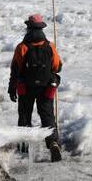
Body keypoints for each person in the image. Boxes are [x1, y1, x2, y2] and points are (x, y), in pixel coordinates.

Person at [8, 14, 62, 162]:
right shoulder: (50, 46)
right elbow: (57, 67)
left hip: (25, 87)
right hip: (46, 87)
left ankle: (24, 148)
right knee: (47, 116)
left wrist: (11, 88)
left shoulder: (22, 47)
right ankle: (53, 143)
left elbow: (15, 70)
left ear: (28, 28)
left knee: (25, 115)